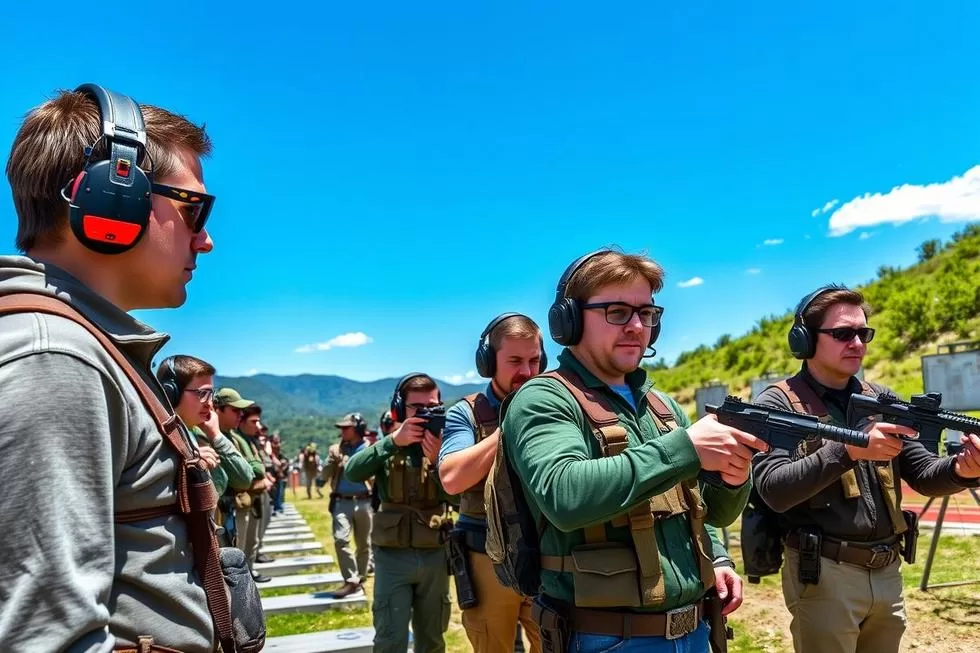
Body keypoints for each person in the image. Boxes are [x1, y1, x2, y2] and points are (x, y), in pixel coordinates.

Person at [0, 83, 222, 651]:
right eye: (193, 208)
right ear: (113, 197)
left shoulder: (78, 346)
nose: (207, 240)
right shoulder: (57, 358)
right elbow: (46, 638)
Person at [501, 249, 767, 652]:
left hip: (694, 630)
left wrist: (732, 483)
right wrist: (686, 447)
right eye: (618, 312)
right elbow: (564, 495)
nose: (637, 326)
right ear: (569, 320)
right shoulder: (544, 398)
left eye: (647, 313)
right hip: (607, 637)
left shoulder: (660, 404)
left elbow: (708, 511)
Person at [752, 284, 980, 653]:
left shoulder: (880, 397)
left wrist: (964, 470)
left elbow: (922, 472)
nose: (856, 342)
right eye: (842, 333)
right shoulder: (780, 402)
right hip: (825, 573)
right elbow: (773, 490)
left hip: (887, 569)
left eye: (863, 333)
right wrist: (849, 450)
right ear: (805, 340)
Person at [439, 313, 545, 653]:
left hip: (551, 552)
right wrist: (507, 428)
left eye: (534, 361)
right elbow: (452, 478)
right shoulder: (467, 413)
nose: (527, 372)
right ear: (488, 362)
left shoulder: (555, 406)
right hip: (487, 556)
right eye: (514, 361)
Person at [345, 373, 454, 653]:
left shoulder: (449, 445)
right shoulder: (388, 446)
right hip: (392, 556)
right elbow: (353, 471)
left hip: (434, 554)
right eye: (417, 408)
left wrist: (440, 460)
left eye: (433, 407)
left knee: (432, 640)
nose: (426, 414)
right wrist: (393, 441)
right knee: (390, 639)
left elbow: (458, 497)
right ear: (398, 409)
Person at [156, 355, 253, 534]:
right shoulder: (157, 437)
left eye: (211, 394)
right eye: (202, 394)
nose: (209, 404)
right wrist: (188, 463)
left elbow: (243, 479)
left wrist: (214, 435)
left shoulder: (191, 434)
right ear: (171, 392)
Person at [322, 412, 375, 598]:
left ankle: (359, 579)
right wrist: (332, 462)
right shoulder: (335, 450)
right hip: (341, 501)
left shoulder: (370, 448)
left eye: (347, 428)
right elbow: (323, 476)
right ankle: (350, 580)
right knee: (340, 539)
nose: (342, 431)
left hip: (364, 501)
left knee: (364, 544)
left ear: (358, 429)